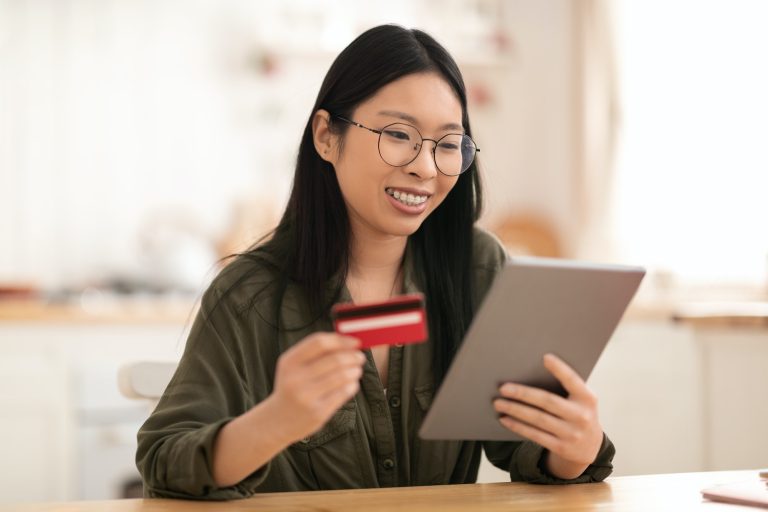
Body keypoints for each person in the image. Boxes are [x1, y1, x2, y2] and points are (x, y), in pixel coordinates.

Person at [136, 24, 615, 500]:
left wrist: (575, 447)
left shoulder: (479, 269)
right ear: (326, 136)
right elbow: (164, 460)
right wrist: (274, 422)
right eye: (399, 134)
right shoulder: (249, 296)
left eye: (447, 144)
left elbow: (521, 444)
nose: (425, 168)